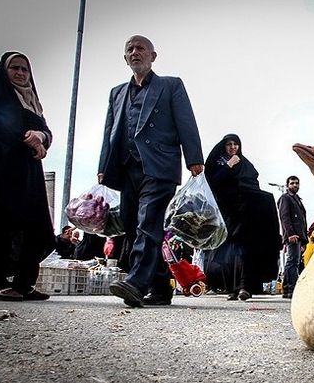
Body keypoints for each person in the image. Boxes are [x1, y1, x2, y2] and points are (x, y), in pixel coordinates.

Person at [97, 35, 204, 307]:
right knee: (133, 226)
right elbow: (110, 131)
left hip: (160, 166)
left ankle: (135, 283)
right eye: (130, 49)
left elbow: (186, 121)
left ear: (153, 56)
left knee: (148, 223)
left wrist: (194, 157)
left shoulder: (171, 86)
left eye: (140, 48)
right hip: (127, 168)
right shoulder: (116, 92)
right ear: (125, 58)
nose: (135, 52)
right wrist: (103, 166)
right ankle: (159, 286)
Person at [0, 52, 55, 301]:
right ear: (4, 72)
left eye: (25, 69)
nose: (20, 73)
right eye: (14, 68)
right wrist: (26, 137)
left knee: (34, 225)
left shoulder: (31, 100)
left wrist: (42, 137)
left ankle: (24, 282)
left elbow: (46, 131)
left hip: (27, 173)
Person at [203, 134, 281, 301]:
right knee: (228, 251)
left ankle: (245, 287)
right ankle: (232, 287)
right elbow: (213, 182)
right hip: (227, 213)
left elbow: (252, 184)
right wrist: (228, 166)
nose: (233, 147)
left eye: (236, 144)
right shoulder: (218, 163)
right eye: (229, 144)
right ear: (224, 146)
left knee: (245, 249)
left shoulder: (245, 163)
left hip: (246, 213)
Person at [277, 176, 308, 299]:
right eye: (292, 183)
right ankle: (290, 288)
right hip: (292, 236)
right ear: (287, 185)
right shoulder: (285, 198)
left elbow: (302, 221)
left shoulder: (297, 200)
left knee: (294, 262)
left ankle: (289, 289)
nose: (295, 185)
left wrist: (304, 240)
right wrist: (290, 234)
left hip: (299, 237)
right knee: (292, 262)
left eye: (297, 183)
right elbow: (284, 217)